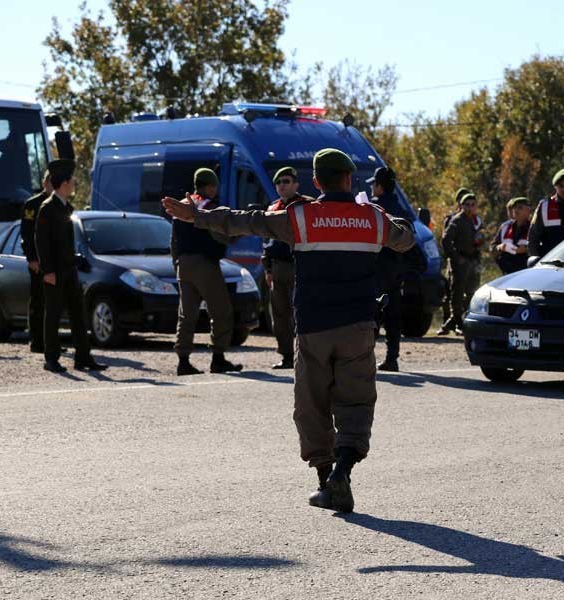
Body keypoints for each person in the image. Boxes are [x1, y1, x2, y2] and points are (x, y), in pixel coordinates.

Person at [162, 148, 415, 513]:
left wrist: (199, 216)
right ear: (349, 180)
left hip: (313, 327)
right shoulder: (372, 219)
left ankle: (325, 480)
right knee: (355, 401)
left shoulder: (300, 217)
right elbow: (405, 238)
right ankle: (342, 473)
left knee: (311, 405)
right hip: (359, 326)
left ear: (315, 181)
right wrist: (376, 211)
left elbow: (246, 221)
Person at [34, 159, 107, 373]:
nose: (75, 183)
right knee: (53, 314)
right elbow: (41, 241)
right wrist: (47, 271)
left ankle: (83, 357)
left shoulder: (66, 207)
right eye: (72, 180)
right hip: (54, 271)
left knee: (78, 313)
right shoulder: (47, 208)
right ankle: (51, 359)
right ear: (64, 184)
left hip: (68, 269)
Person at [169, 168, 243, 376]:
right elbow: (221, 235)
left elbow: (173, 240)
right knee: (221, 310)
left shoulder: (181, 206)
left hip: (183, 264)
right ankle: (218, 358)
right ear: (210, 186)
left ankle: (183, 360)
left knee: (187, 314)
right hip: (205, 264)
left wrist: (176, 262)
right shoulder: (208, 207)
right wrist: (237, 235)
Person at [263, 166, 314, 370]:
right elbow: (266, 242)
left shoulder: (306, 205)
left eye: (286, 181)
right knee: (280, 314)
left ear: (295, 184)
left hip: (299, 266)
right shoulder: (272, 208)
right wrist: (267, 268)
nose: (282, 186)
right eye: (278, 183)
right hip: (278, 269)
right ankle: (286, 355)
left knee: (302, 313)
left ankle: (307, 355)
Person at [368, 166, 412, 372]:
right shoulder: (400, 209)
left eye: (373, 184)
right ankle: (392, 358)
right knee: (393, 316)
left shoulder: (372, 208)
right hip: (396, 269)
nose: (371, 188)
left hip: (376, 269)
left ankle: (365, 357)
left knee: (371, 314)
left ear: (379, 186)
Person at [438, 193, 482, 335]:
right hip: (461, 263)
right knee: (457, 295)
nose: (469, 207)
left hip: (473, 261)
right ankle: (457, 322)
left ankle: (455, 322)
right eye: (466, 205)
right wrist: (456, 258)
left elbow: (481, 239)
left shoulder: (476, 221)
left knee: (472, 293)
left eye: (472, 205)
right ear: (461, 206)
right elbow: (446, 240)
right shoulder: (457, 220)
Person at [20, 170, 53, 353]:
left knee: (52, 304)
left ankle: (51, 342)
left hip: (53, 262)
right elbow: (26, 234)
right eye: (49, 182)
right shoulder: (32, 204)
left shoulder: (58, 205)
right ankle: (37, 341)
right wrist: (31, 258)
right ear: (44, 183)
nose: (51, 186)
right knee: (38, 302)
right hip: (38, 262)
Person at [491, 197, 532, 274]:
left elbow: (540, 247)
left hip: (526, 271)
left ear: (528, 210)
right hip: (507, 272)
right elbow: (492, 247)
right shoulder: (505, 227)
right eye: (514, 208)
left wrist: (526, 249)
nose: (515, 210)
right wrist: (499, 247)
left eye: (520, 207)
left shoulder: (533, 228)